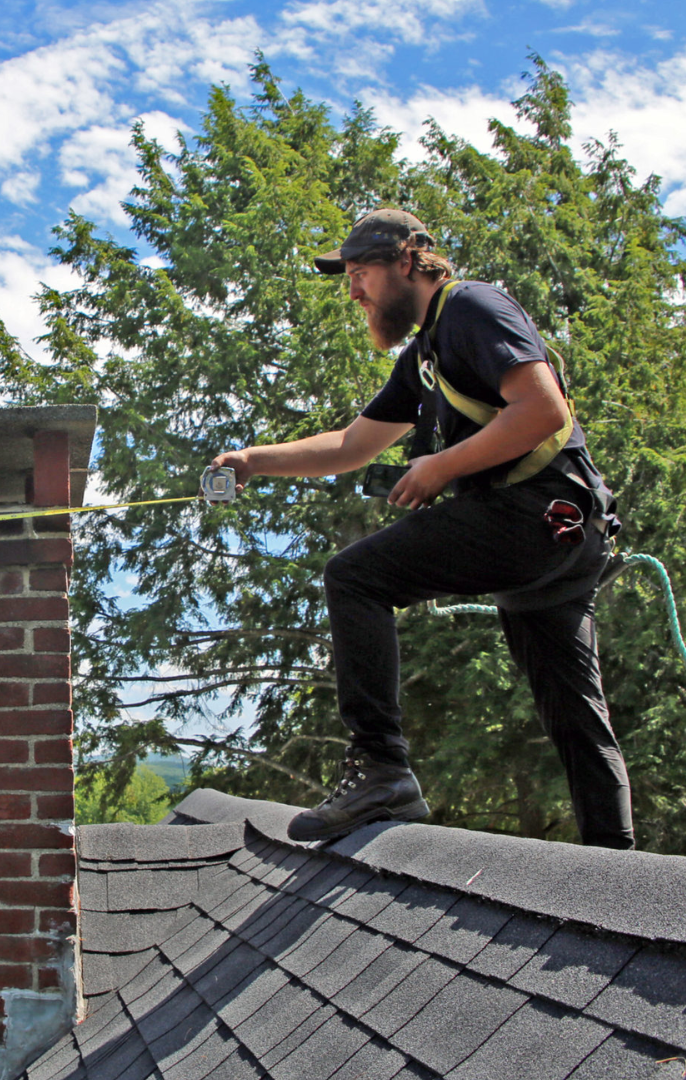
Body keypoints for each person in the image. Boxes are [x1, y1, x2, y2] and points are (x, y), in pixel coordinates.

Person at [211, 208, 635, 849]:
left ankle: (380, 770)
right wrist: (253, 461)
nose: (353, 291)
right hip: (563, 537)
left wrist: (442, 466)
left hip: (536, 515)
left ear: (407, 259)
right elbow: (352, 445)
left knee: (355, 576)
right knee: (576, 711)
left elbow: (545, 409)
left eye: (360, 273)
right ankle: (616, 860)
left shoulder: (471, 308)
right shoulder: (425, 356)